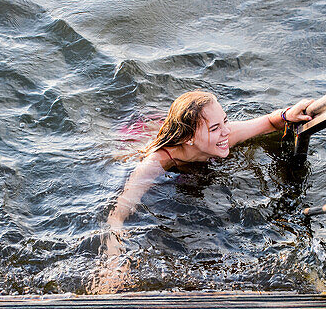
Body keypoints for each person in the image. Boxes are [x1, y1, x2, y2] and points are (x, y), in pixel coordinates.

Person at [93, 90, 314, 291]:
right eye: (215, 128)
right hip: (167, 173)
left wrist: (288, 114)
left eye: (225, 121)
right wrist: (115, 261)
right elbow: (118, 213)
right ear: (189, 138)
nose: (226, 131)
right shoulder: (155, 163)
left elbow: (268, 122)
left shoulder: (226, 136)